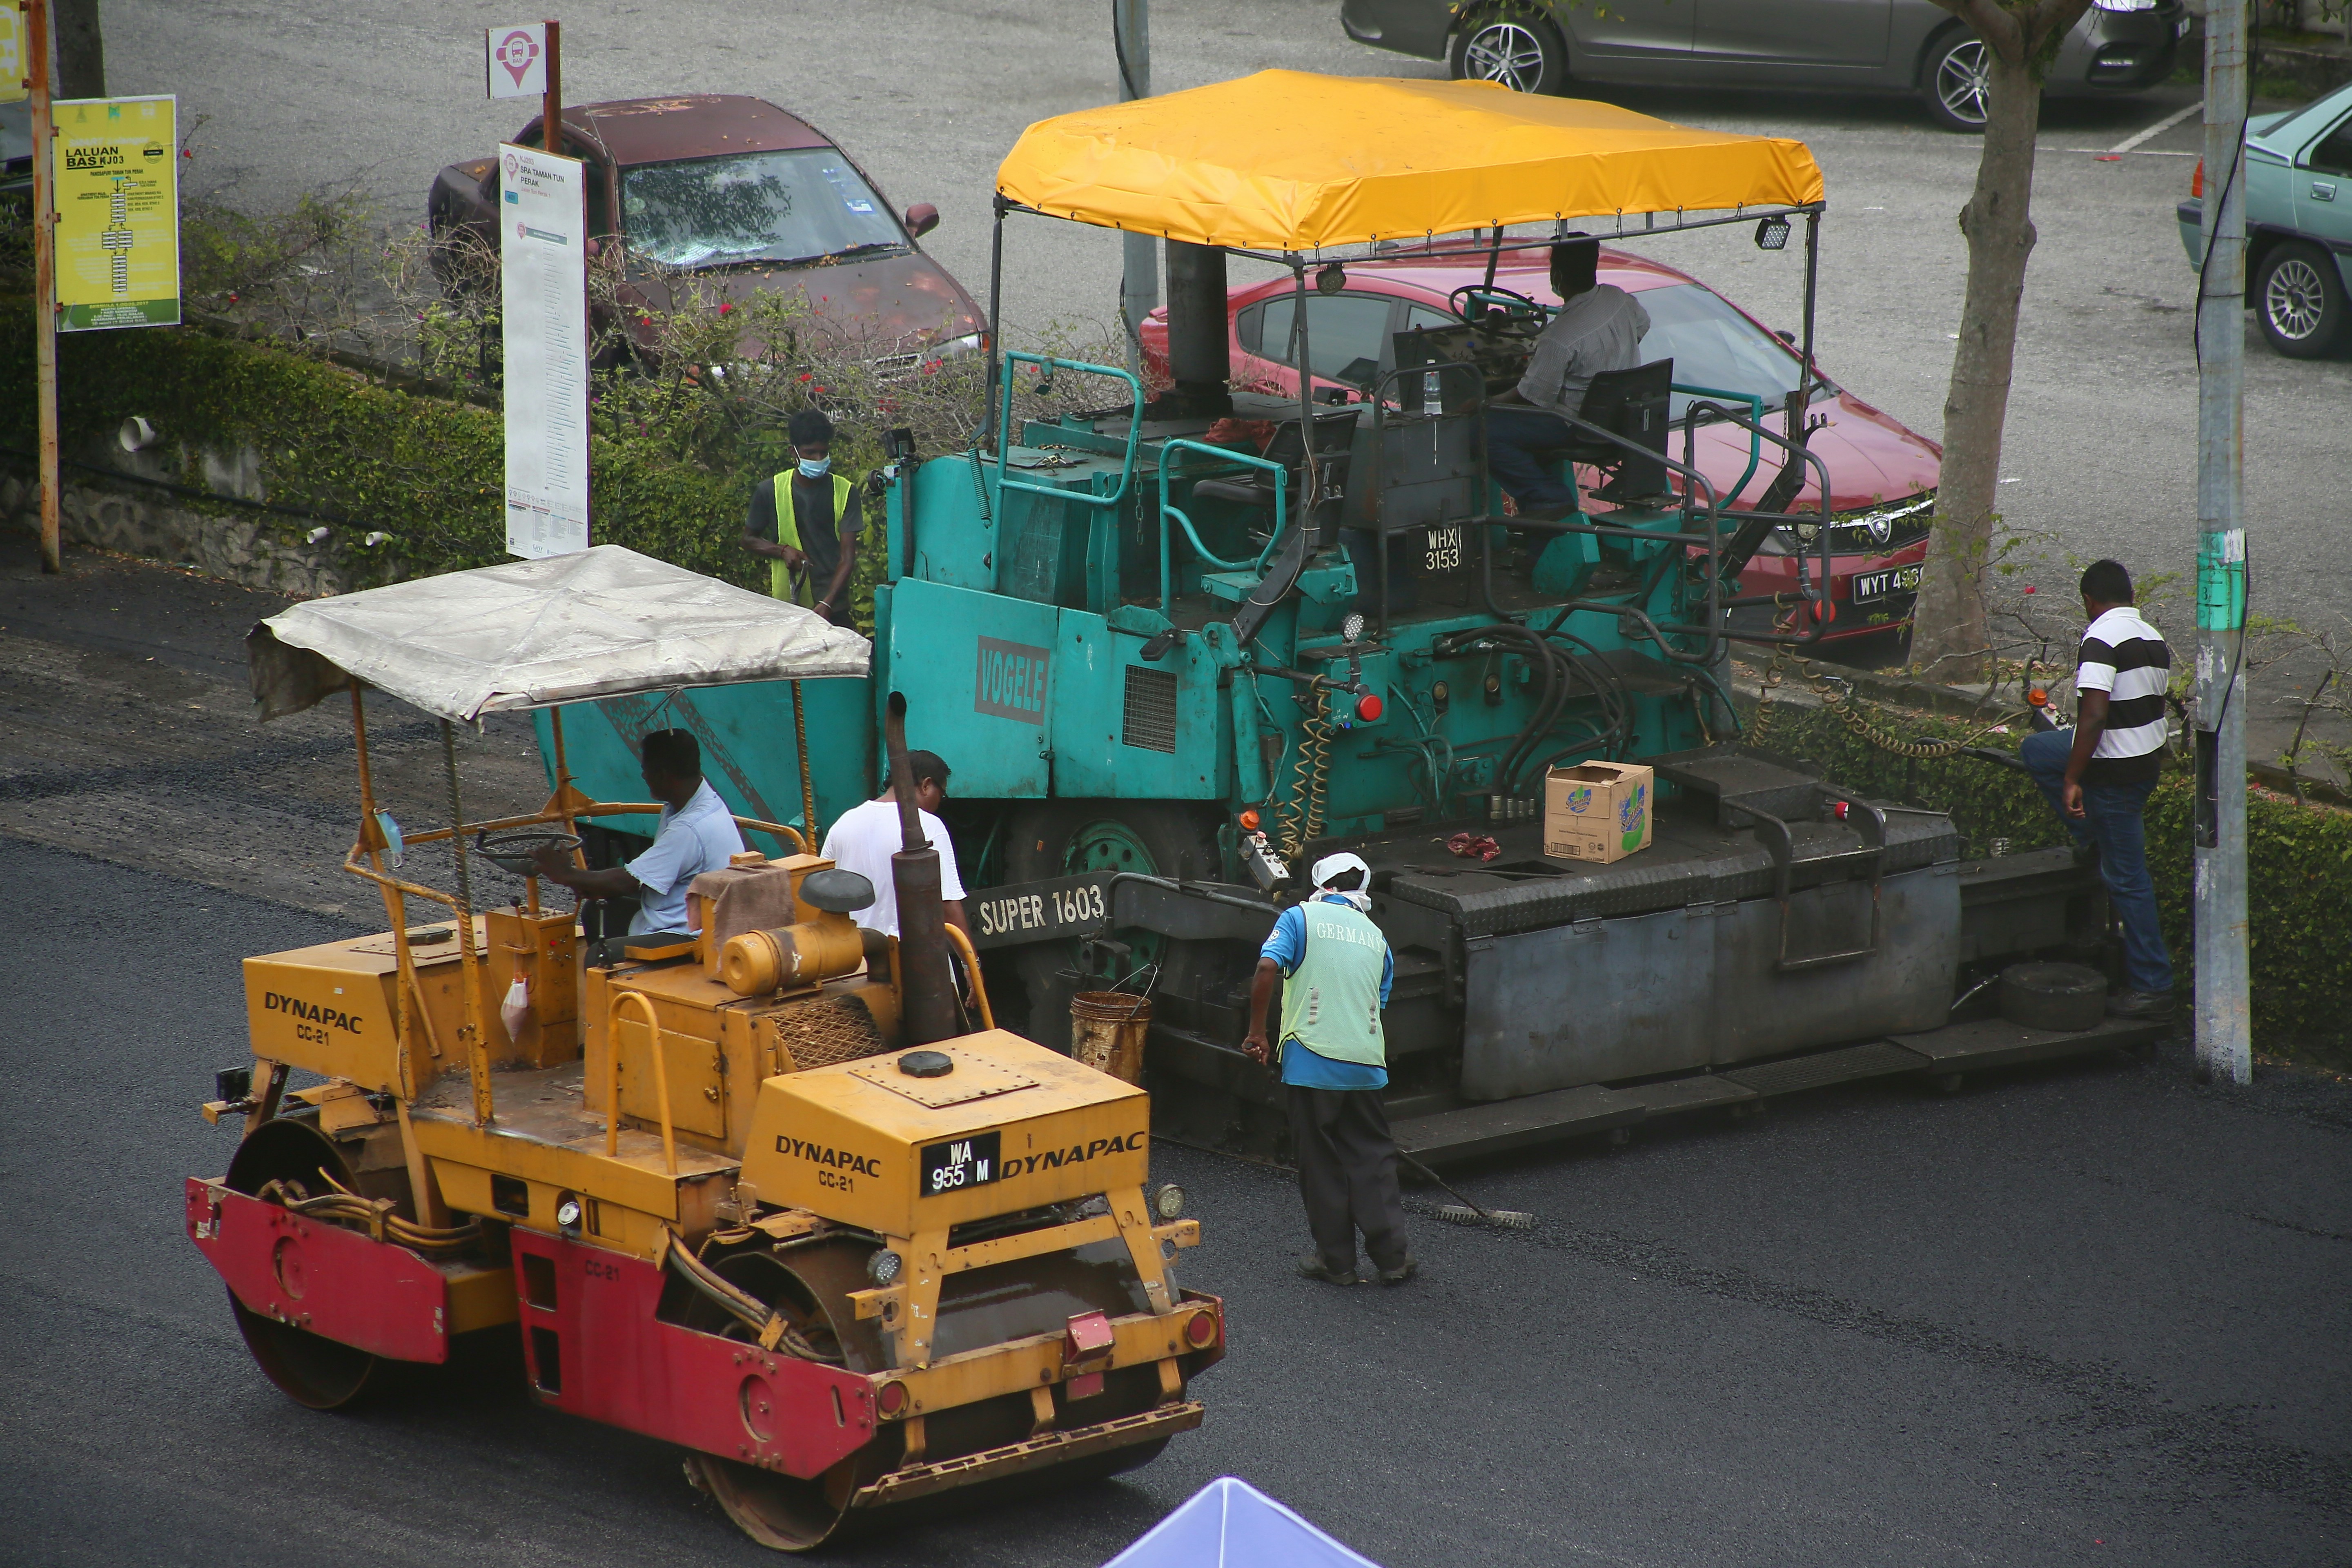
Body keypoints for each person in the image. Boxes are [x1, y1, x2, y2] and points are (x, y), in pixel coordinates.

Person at [1243, 852, 1415, 1287]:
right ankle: (1393, 1258)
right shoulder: (1377, 938)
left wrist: (1258, 1033)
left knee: (1320, 1162)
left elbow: (1267, 967)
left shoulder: (1301, 918)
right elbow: (1379, 1001)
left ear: (1320, 883)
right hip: (1366, 1067)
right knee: (1373, 1160)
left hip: (1311, 1062)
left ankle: (1337, 1262)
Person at [2020, 559, 2175, 1020]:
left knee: (2128, 881)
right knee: (2038, 750)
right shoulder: (2152, 636)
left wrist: (2072, 780)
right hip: (2145, 762)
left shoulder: (2101, 637)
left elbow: (2094, 715)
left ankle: (2154, 986)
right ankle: (2090, 839)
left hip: (2115, 774)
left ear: (2089, 600)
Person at [1482, 235, 1652, 523]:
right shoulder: (1620, 298)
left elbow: (1532, 397)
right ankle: (1544, 507)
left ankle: (1548, 499)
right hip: (1623, 419)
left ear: (1557, 274)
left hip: (1578, 425)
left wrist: (1486, 402)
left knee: (1483, 430)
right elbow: (1643, 325)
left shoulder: (1561, 336)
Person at [532, 729, 744, 936]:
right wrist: (588, 882)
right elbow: (648, 876)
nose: (643, 776)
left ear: (662, 775)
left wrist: (566, 874)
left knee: (596, 956)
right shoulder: (695, 804)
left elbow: (628, 881)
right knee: (594, 911)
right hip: (691, 915)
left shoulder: (688, 828)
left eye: (646, 770)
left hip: (688, 934)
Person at [819, 749, 972, 942]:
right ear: (926, 785)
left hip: (854, 956)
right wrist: (970, 963)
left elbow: (823, 891)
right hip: (912, 957)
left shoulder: (843, 823)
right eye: (941, 795)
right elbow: (948, 904)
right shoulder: (927, 825)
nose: (939, 803)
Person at [743, 408, 860, 627]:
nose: (818, 459)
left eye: (823, 453)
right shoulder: (770, 490)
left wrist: (827, 603)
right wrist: (782, 550)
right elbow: (748, 539)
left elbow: (847, 558)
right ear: (793, 452)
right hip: (788, 607)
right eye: (810, 453)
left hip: (833, 607)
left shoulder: (845, 491)